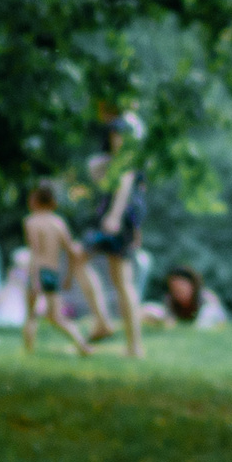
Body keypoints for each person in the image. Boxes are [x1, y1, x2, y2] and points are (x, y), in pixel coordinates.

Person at [76, 132, 147, 358]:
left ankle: (111, 329)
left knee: (119, 279)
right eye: (115, 135)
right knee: (119, 279)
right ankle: (126, 341)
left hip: (116, 220)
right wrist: (136, 228)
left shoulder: (126, 161)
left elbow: (126, 189)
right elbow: (97, 174)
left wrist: (115, 217)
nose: (117, 139)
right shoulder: (122, 161)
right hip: (121, 220)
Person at [21, 183, 91, 356]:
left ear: (36, 200)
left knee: (30, 316)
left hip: (38, 271)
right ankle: (82, 345)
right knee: (56, 317)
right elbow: (71, 252)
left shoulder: (31, 222)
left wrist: (35, 279)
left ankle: (28, 352)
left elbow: (35, 252)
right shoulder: (58, 223)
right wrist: (68, 277)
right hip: (53, 273)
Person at [141, 266, 226, 328]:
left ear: (192, 285)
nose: (179, 291)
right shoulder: (170, 301)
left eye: (182, 286)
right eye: (175, 288)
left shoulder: (207, 299)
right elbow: (168, 320)